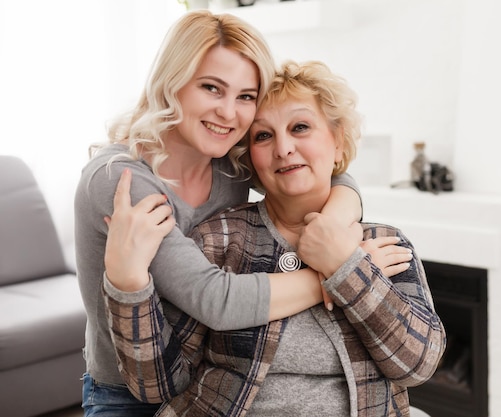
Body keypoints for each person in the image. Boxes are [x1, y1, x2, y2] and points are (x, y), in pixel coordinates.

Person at [75, 11, 406, 417]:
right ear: (172, 82)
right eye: (212, 88)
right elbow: (214, 299)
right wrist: (347, 272)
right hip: (128, 389)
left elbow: (320, 169)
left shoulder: (227, 163)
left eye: (246, 96)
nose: (229, 113)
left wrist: (335, 224)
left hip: (202, 382)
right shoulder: (119, 180)